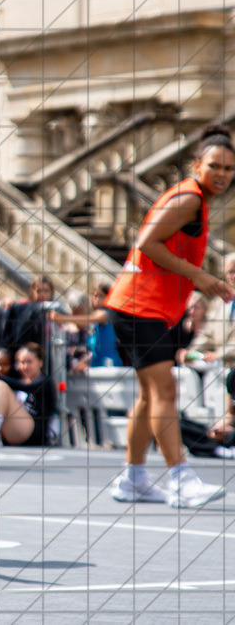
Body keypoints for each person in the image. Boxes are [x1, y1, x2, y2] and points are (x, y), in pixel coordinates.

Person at [105, 123, 234, 508]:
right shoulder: (189, 197)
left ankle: (133, 478)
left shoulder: (192, 198)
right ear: (198, 165)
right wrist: (199, 276)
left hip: (142, 308)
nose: (223, 175)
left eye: (229, 168)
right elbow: (145, 243)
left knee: (149, 397)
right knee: (165, 391)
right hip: (138, 307)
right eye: (215, 166)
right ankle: (181, 479)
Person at [48, 281, 121, 368]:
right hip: (97, 365)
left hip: (109, 365)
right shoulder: (95, 322)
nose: (96, 299)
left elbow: (87, 320)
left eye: (100, 296)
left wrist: (62, 318)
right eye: (94, 295)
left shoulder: (105, 314)